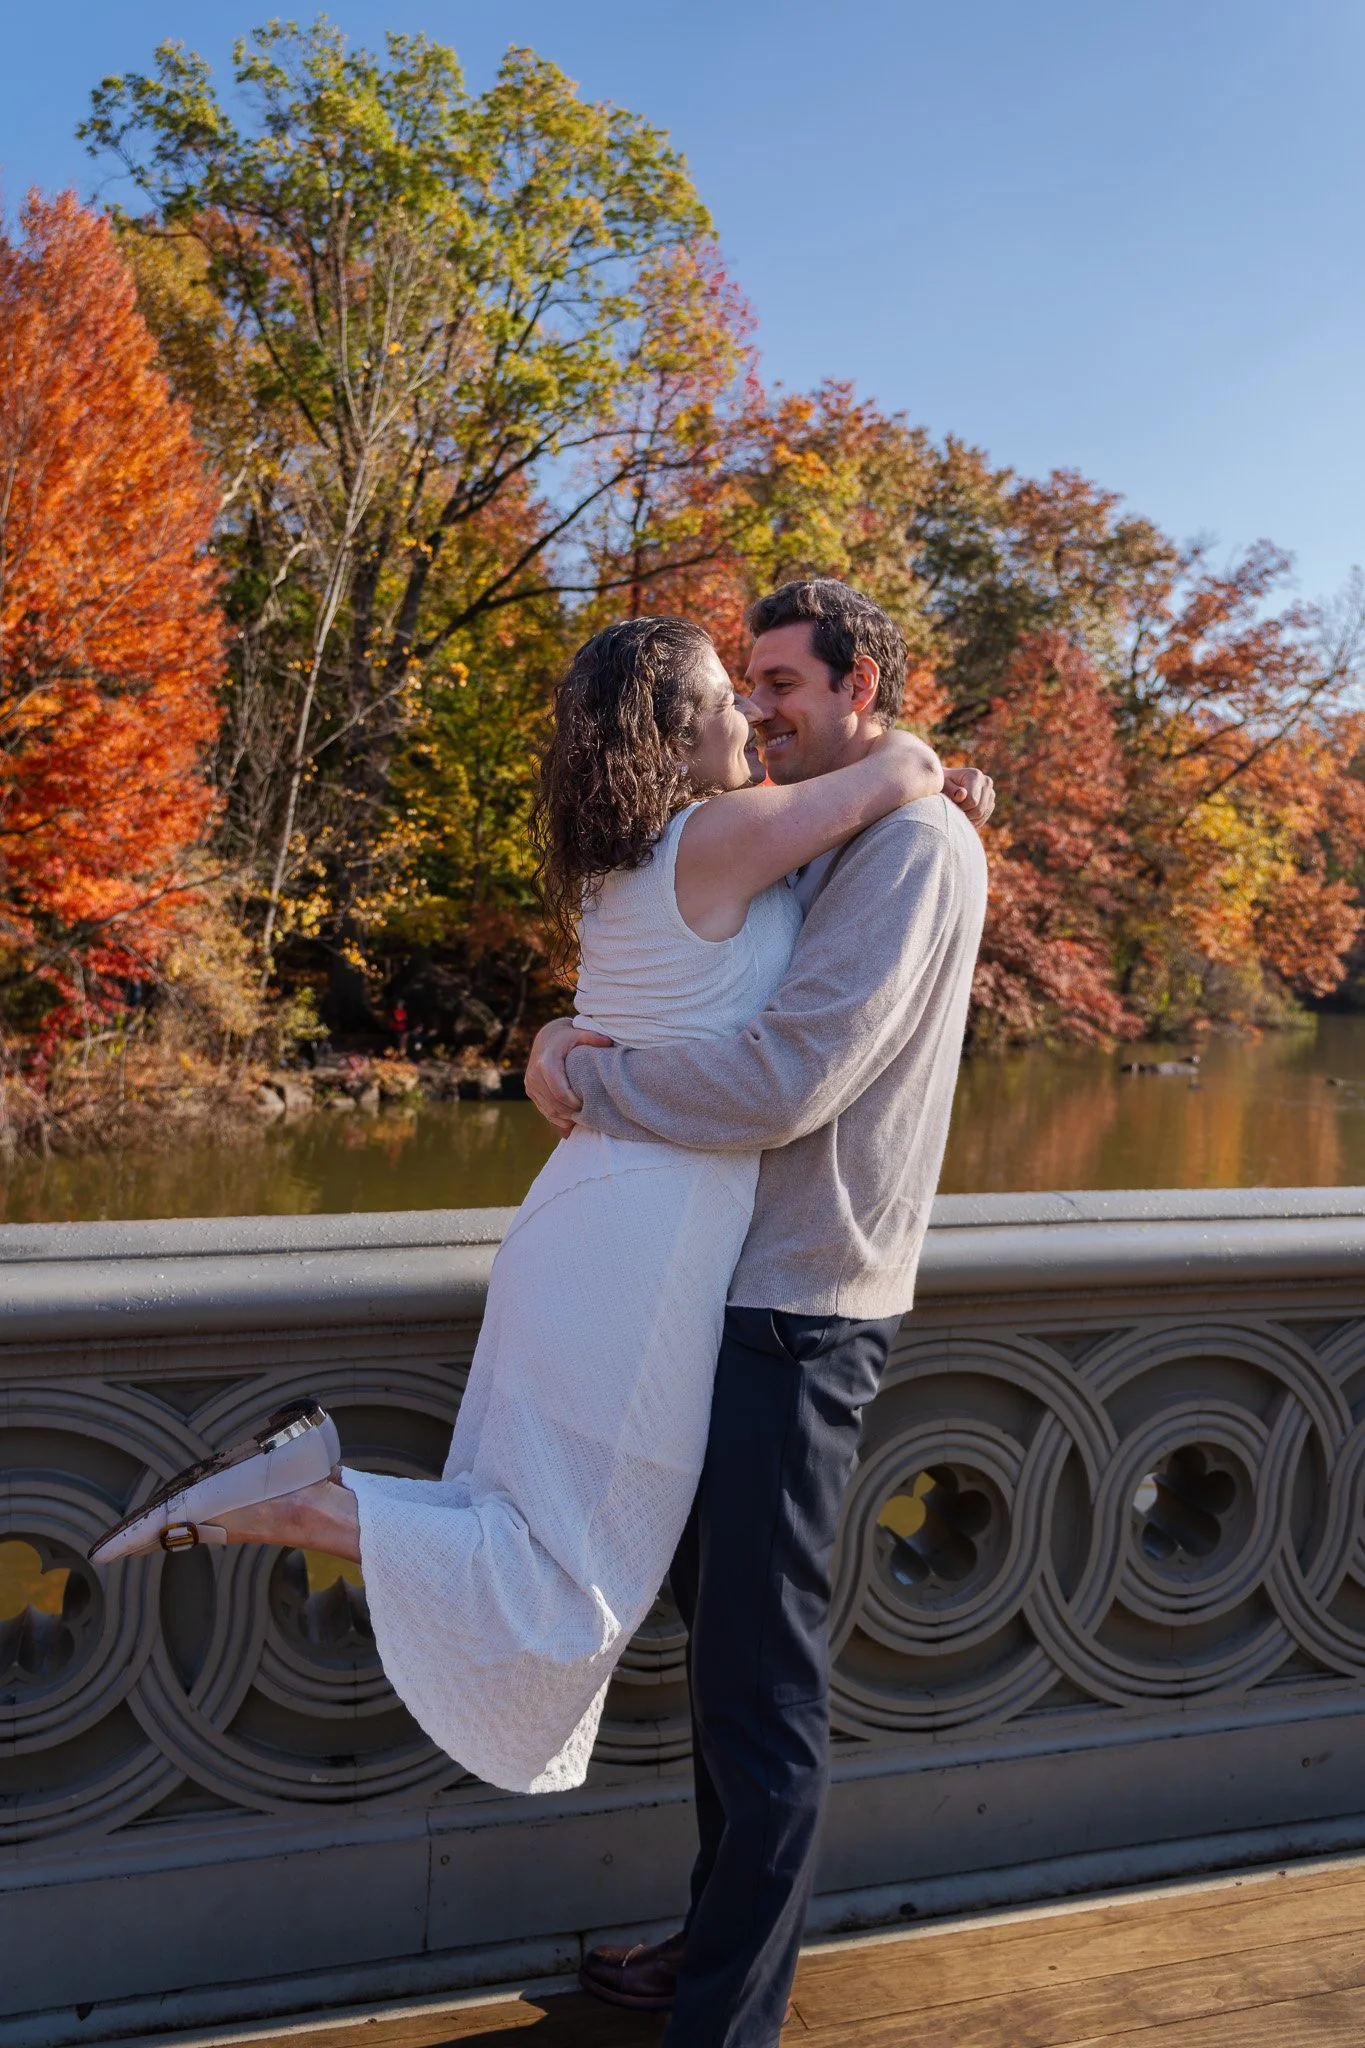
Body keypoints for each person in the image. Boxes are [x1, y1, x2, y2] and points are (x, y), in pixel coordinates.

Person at [88, 609, 989, 1809]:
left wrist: (560, 1052)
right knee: (577, 1572)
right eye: (730, 695)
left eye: (763, 686)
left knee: (519, 1512)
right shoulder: (720, 836)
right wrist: (937, 767)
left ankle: (303, 1491)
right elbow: (905, 772)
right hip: (656, 1236)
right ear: (676, 736)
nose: (746, 717)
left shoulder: (630, 856)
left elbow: (855, 839)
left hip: (583, 1212)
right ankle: (301, 1504)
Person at [525, 578, 990, 2047]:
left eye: (784, 683)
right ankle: (715, 1945)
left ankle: (728, 2021)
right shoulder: (842, 823)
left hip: (805, 1304)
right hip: (723, 1291)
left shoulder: (910, 848)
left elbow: (786, 1081)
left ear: (863, 685)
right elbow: (700, 973)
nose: (763, 710)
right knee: (720, 1654)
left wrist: (583, 1082)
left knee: (761, 1688)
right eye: (755, 685)